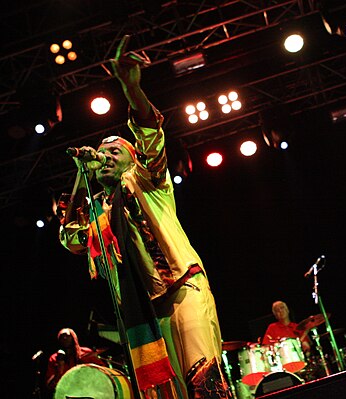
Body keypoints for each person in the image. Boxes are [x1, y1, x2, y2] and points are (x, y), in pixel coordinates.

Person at [58, 35, 229, 399]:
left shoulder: (147, 180)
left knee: (204, 382)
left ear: (132, 158)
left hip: (184, 287)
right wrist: (81, 176)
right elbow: (69, 236)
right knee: (170, 394)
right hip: (148, 310)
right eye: (100, 151)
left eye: (114, 149)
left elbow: (152, 136)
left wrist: (130, 88)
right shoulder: (100, 214)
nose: (104, 154)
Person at [45, 328, 105, 392]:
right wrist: (59, 371)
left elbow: (101, 370)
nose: (64, 338)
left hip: (87, 389)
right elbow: (49, 385)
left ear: (73, 338)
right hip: (66, 391)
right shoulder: (54, 358)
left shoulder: (85, 352)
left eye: (67, 335)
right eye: (61, 337)